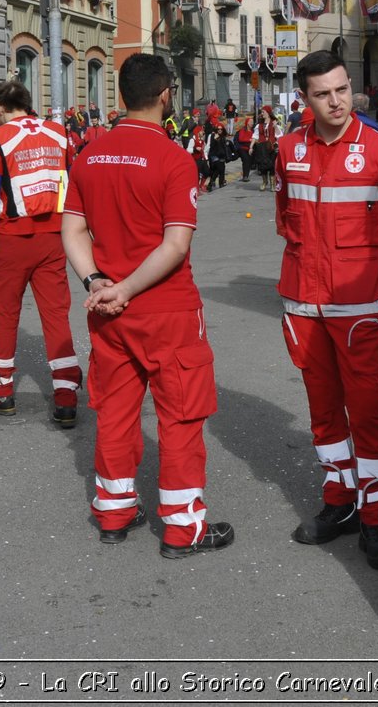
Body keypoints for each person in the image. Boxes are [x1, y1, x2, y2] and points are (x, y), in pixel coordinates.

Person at [60, 53, 236, 558]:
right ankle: (184, 528)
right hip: (166, 308)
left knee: (115, 412)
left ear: (120, 97)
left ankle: (114, 511)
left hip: (107, 307)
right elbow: (175, 245)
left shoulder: (89, 155)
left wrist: (98, 281)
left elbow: (71, 229)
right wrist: (128, 288)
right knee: (180, 416)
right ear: (165, 97)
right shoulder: (173, 159)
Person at [275, 50, 378, 570]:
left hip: (355, 307)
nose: (335, 102)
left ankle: (376, 516)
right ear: (304, 99)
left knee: (368, 413)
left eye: (341, 90)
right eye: (322, 94)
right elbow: (286, 216)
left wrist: (371, 261)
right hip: (302, 304)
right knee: (324, 412)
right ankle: (340, 502)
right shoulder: (289, 148)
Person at [0, 79, 81, 424]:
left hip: (13, 236)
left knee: (6, 314)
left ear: (0, 108)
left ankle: (1, 390)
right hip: (53, 234)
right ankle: (66, 395)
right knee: (56, 314)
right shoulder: (57, 133)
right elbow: (69, 180)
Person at [252, 107, 280, 192]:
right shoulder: (259, 125)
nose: (262, 113)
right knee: (262, 165)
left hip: (271, 147)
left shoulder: (274, 123)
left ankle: (272, 184)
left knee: (271, 166)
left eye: (263, 112)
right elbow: (255, 136)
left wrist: (275, 127)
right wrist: (250, 147)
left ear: (268, 112)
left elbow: (279, 135)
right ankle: (264, 182)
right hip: (261, 147)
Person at [236, 117, 254, 182]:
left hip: (250, 149)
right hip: (242, 148)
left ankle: (246, 175)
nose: (252, 123)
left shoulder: (253, 131)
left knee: (249, 162)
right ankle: (245, 176)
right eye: (251, 122)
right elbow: (241, 139)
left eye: (252, 122)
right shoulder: (243, 130)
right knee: (246, 160)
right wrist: (250, 140)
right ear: (247, 123)